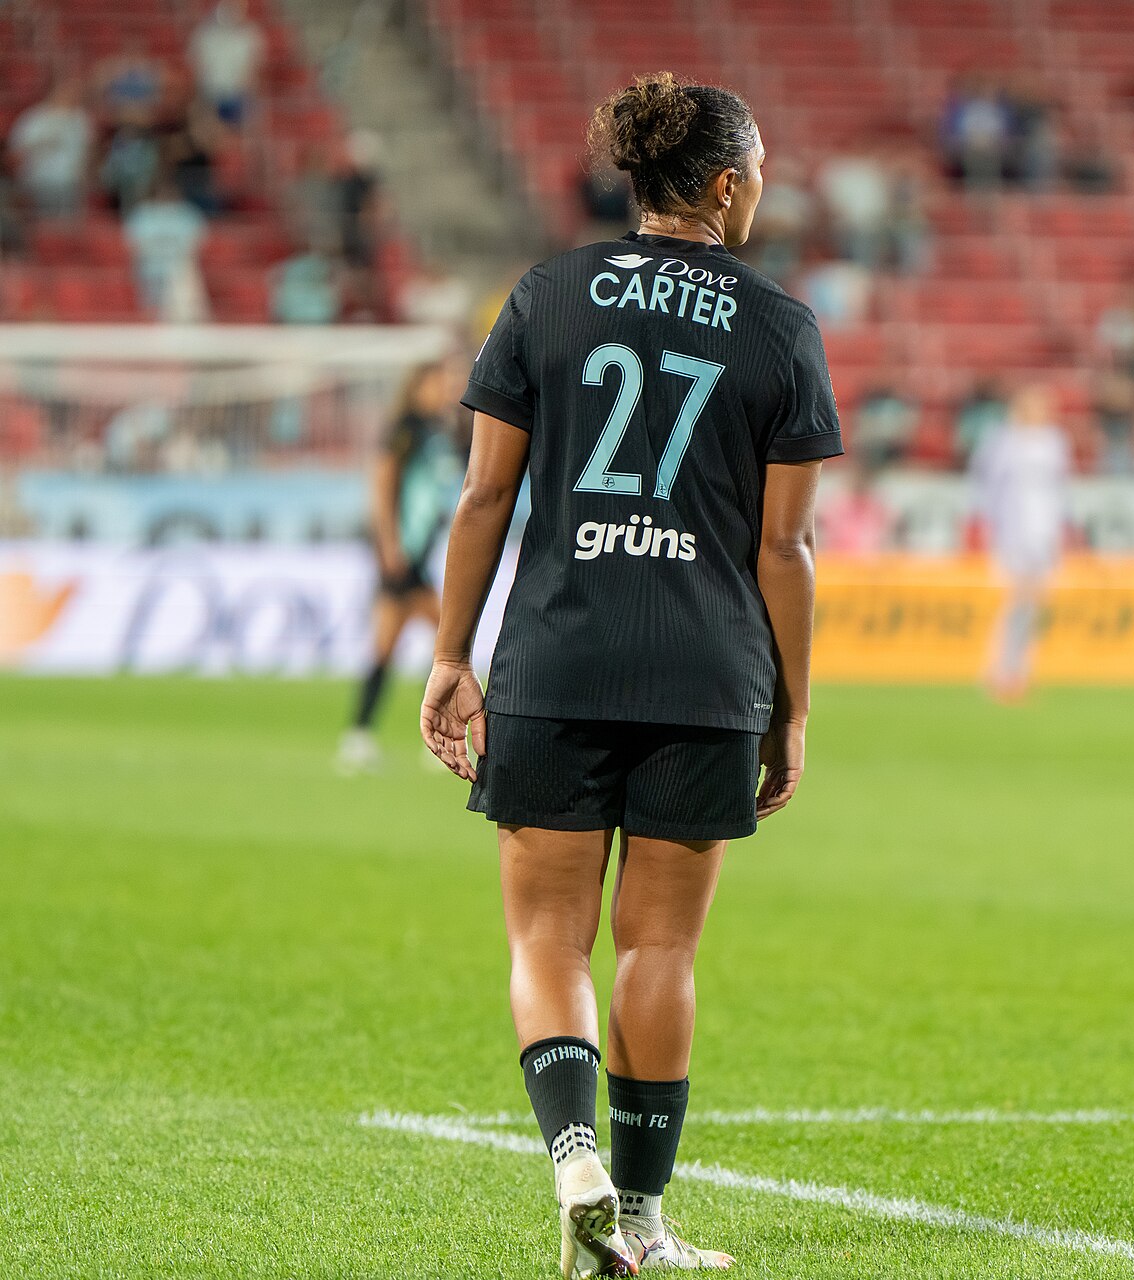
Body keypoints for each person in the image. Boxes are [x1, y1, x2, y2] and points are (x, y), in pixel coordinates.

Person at [419, 70, 840, 1274]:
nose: (762, 186)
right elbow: (787, 546)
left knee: (547, 938)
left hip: (554, 652)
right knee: (661, 949)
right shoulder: (779, 325)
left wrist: (454, 653)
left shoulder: (548, 294)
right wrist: (794, 706)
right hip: (706, 671)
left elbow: (484, 493)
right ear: (720, 184)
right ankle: (646, 1224)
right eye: (756, 168)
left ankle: (572, 1159)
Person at [337, 362, 465, 773]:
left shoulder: (438, 432)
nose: (446, 389)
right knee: (449, 642)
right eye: (439, 382)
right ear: (418, 385)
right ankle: (437, 735)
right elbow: (383, 482)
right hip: (401, 558)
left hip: (415, 556)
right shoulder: (406, 428)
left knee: (396, 647)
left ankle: (360, 734)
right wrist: (389, 543)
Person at [970, 383, 1070, 702]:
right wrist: (985, 524)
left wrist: (1063, 529)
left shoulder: (1054, 442)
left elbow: (1061, 489)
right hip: (1014, 530)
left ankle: (1019, 667)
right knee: (1016, 601)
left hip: (1045, 532)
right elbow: (986, 485)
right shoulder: (1004, 441)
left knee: (1034, 604)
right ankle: (1001, 668)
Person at [124, 179, 209, 322]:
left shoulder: (188, 214)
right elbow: (134, 245)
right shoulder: (143, 214)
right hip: (150, 267)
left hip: (180, 268)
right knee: (151, 304)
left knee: (185, 281)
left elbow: (196, 244)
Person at [8, 76, 92, 218]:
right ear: (53, 91)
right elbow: (16, 153)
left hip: (71, 184)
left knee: (65, 228)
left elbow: (88, 153)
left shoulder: (80, 119)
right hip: (39, 181)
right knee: (44, 225)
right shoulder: (34, 118)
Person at [189, 0, 265, 125]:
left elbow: (254, 71)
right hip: (210, 94)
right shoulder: (205, 34)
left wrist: (244, 90)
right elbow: (197, 68)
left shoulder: (250, 35)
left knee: (250, 111)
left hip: (238, 95)